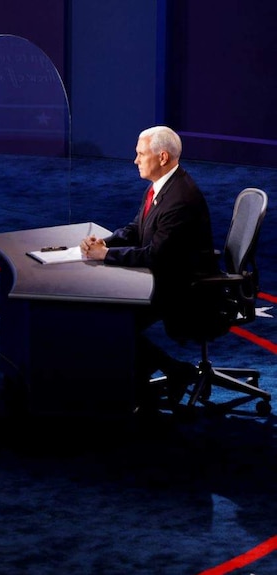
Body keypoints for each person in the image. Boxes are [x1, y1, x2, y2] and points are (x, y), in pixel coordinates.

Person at [79, 125, 219, 408]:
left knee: (112, 319)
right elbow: (135, 229)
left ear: (163, 157)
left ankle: (169, 374)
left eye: (141, 154)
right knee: (106, 313)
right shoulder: (162, 185)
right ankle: (161, 375)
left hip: (182, 289)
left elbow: (155, 256)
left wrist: (105, 256)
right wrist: (104, 244)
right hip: (164, 276)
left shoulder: (181, 199)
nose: (135, 160)